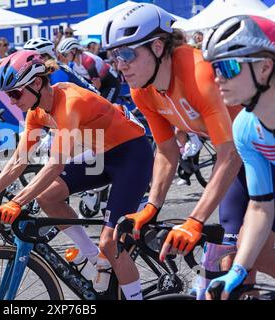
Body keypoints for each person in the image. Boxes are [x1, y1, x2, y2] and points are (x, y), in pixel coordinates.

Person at [0, 50, 154, 300]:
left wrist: (16, 202)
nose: (12, 101)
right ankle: (92, 259)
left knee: (110, 244)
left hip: (132, 154)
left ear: (36, 83)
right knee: (48, 197)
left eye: (14, 93)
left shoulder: (69, 103)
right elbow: (18, 161)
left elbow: (55, 164)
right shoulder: (36, 112)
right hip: (102, 154)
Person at [102, 3, 244, 278]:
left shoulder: (198, 72)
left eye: (127, 54)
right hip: (243, 155)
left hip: (261, 151)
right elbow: (167, 151)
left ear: (157, 47)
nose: (120, 65)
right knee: (230, 256)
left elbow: (229, 153)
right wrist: (152, 207)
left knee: (248, 250)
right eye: (114, 56)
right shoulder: (141, 90)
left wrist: (195, 219)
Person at [202, 15, 275, 300]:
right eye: (214, 69)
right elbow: (260, 207)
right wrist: (237, 272)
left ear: (265, 67)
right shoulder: (245, 128)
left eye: (228, 67)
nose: (218, 78)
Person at [23, 37, 98, 94]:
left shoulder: (56, 71)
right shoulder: (50, 68)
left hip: (92, 102)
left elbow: (59, 99)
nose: (30, 62)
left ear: (45, 57)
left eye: (32, 58)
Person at [56, 37, 121, 103]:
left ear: (73, 51)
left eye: (65, 54)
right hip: (101, 83)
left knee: (106, 106)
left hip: (111, 83)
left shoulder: (87, 60)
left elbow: (97, 85)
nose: (64, 57)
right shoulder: (72, 65)